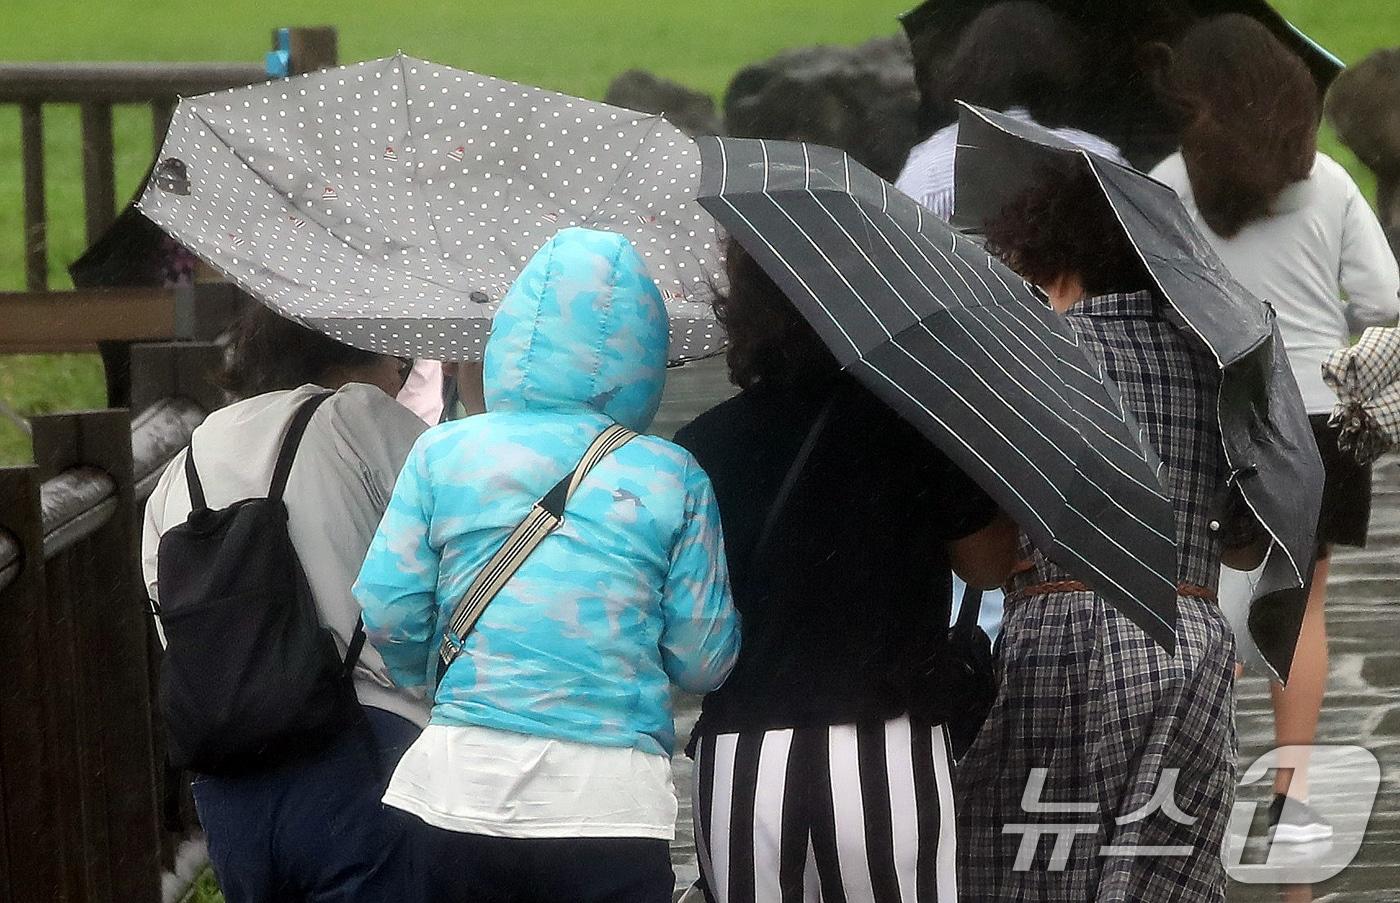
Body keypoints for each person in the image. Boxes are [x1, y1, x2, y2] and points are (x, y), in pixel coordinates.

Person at [353, 227, 741, 903]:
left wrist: (433, 676)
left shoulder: (443, 453)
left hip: (461, 787)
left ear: (513, 337)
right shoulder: (672, 474)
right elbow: (702, 660)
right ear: (646, 355)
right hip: (612, 803)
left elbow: (387, 607)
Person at [956, 161, 1267, 902]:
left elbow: (987, 559)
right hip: (1188, 635)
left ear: (1053, 256)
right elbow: (1246, 545)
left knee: (1037, 868)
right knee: (1164, 871)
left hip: (1058, 631)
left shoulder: (1027, 355)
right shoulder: (1218, 365)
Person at [674, 239, 1019, 903]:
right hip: (885, 745)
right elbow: (987, 567)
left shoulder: (700, 446)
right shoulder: (920, 428)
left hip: (744, 755)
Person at [1150, 14, 1400, 843]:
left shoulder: (1167, 185)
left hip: (1211, 409)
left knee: (1201, 597)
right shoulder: (1326, 182)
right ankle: (1291, 793)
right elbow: (1382, 298)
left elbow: (1148, 301)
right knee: (1305, 606)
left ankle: (1200, 779)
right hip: (1321, 418)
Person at [141, 305, 429, 903]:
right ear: (352, 349)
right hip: (361, 752)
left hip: (231, 783)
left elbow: (171, 618)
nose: (402, 382)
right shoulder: (358, 416)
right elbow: (456, 544)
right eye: (401, 364)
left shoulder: (182, 466)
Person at [895, 1, 1127, 221]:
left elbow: (904, 242)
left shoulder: (927, 169)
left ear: (967, 68)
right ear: (1059, 67)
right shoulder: (1101, 161)